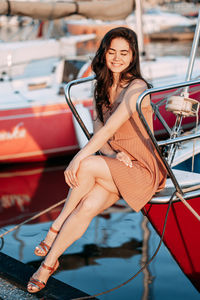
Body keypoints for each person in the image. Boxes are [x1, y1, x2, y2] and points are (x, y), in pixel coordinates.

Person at [27, 27, 167, 293]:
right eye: (112, 51)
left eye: (124, 53)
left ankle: (55, 227)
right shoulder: (101, 86)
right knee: (87, 206)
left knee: (86, 165)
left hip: (144, 170)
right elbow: (99, 132)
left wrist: (77, 158)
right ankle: (47, 265)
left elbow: (110, 128)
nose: (117, 58)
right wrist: (114, 154)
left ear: (133, 55)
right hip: (119, 164)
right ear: (104, 53)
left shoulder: (137, 87)